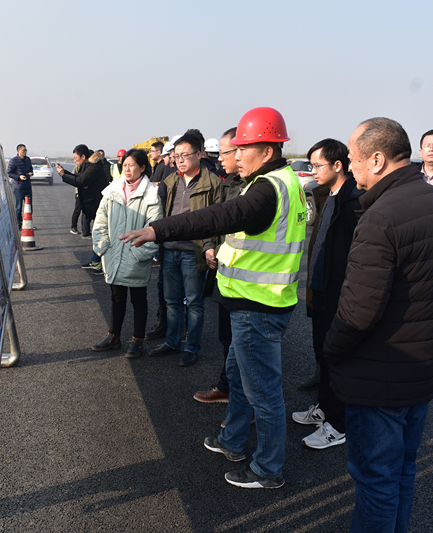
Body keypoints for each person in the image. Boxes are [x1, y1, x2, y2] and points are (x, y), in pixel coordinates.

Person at [122, 107, 305, 489]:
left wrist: (157, 230)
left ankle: (268, 469)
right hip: (253, 302)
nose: (235, 156)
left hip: (258, 306)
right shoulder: (284, 182)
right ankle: (232, 440)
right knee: (239, 378)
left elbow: (216, 217)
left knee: (264, 394)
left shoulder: (266, 189)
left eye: (242, 149)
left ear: (266, 151)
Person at [325, 117, 433, 532]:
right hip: (422, 365)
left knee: (375, 480)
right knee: (402, 470)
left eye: (353, 158)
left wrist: (331, 351)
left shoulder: (380, 216)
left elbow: (358, 312)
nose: (351, 167)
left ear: (377, 159)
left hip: (379, 377)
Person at [291, 139, 363, 450]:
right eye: (311, 165)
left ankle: (338, 423)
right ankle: (324, 409)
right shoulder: (325, 195)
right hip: (319, 287)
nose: (313, 171)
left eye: (318, 165)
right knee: (322, 353)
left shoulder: (354, 201)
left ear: (338, 165)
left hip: (339, 292)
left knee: (337, 358)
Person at [146, 130, 222, 367]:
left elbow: (217, 221)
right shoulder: (171, 181)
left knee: (195, 302)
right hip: (169, 249)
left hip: (193, 251)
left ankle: (191, 347)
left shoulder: (213, 183)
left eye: (184, 155)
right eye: (176, 155)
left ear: (199, 154)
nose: (179, 160)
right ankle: (172, 342)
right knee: (171, 300)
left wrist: (210, 247)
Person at [91, 149, 162, 357]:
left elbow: (155, 227)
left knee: (138, 299)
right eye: (125, 165)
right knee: (116, 298)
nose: (127, 169)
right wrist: (103, 246)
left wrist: (140, 252)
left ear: (142, 167)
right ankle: (114, 336)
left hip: (136, 254)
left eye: (132, 165)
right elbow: (100, 221)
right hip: (114, 253)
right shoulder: (112, 190)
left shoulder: (151, 194)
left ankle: (138, 340)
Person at [193, 127, 245, 405]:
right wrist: (210, 246)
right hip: (226, 277)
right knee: (227, 338)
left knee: (244, 347)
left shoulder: (257, 189)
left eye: (224, 152)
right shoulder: (228, 184)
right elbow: (214, 221)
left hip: (249, 285)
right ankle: (227, 387)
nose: (219, 158)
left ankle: (244, 403)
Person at [56, 145, 107, 273]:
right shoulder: (88, 166)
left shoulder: (94, 168)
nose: (74, 160)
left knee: (101, 235)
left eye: (76, 158)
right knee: (99, 235)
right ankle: (96, 261)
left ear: (83, 156)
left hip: (101, 206)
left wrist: (63, 175)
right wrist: (64, 172)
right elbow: (78, 177)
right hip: (95, 205)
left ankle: (100, 263)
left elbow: (81, 181)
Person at [7, 144, 34, 229]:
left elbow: (31, 169)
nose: (25, 152)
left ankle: (28, 224)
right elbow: (9, 173)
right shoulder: (13, 161)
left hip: (27, 186)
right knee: (19, 207)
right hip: (19, 187)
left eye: (26, 150)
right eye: (23, 150)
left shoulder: (28, 159)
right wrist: (19, 177)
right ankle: (19, 224)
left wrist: (30, 173)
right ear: (18, 151)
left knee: (29, 207)